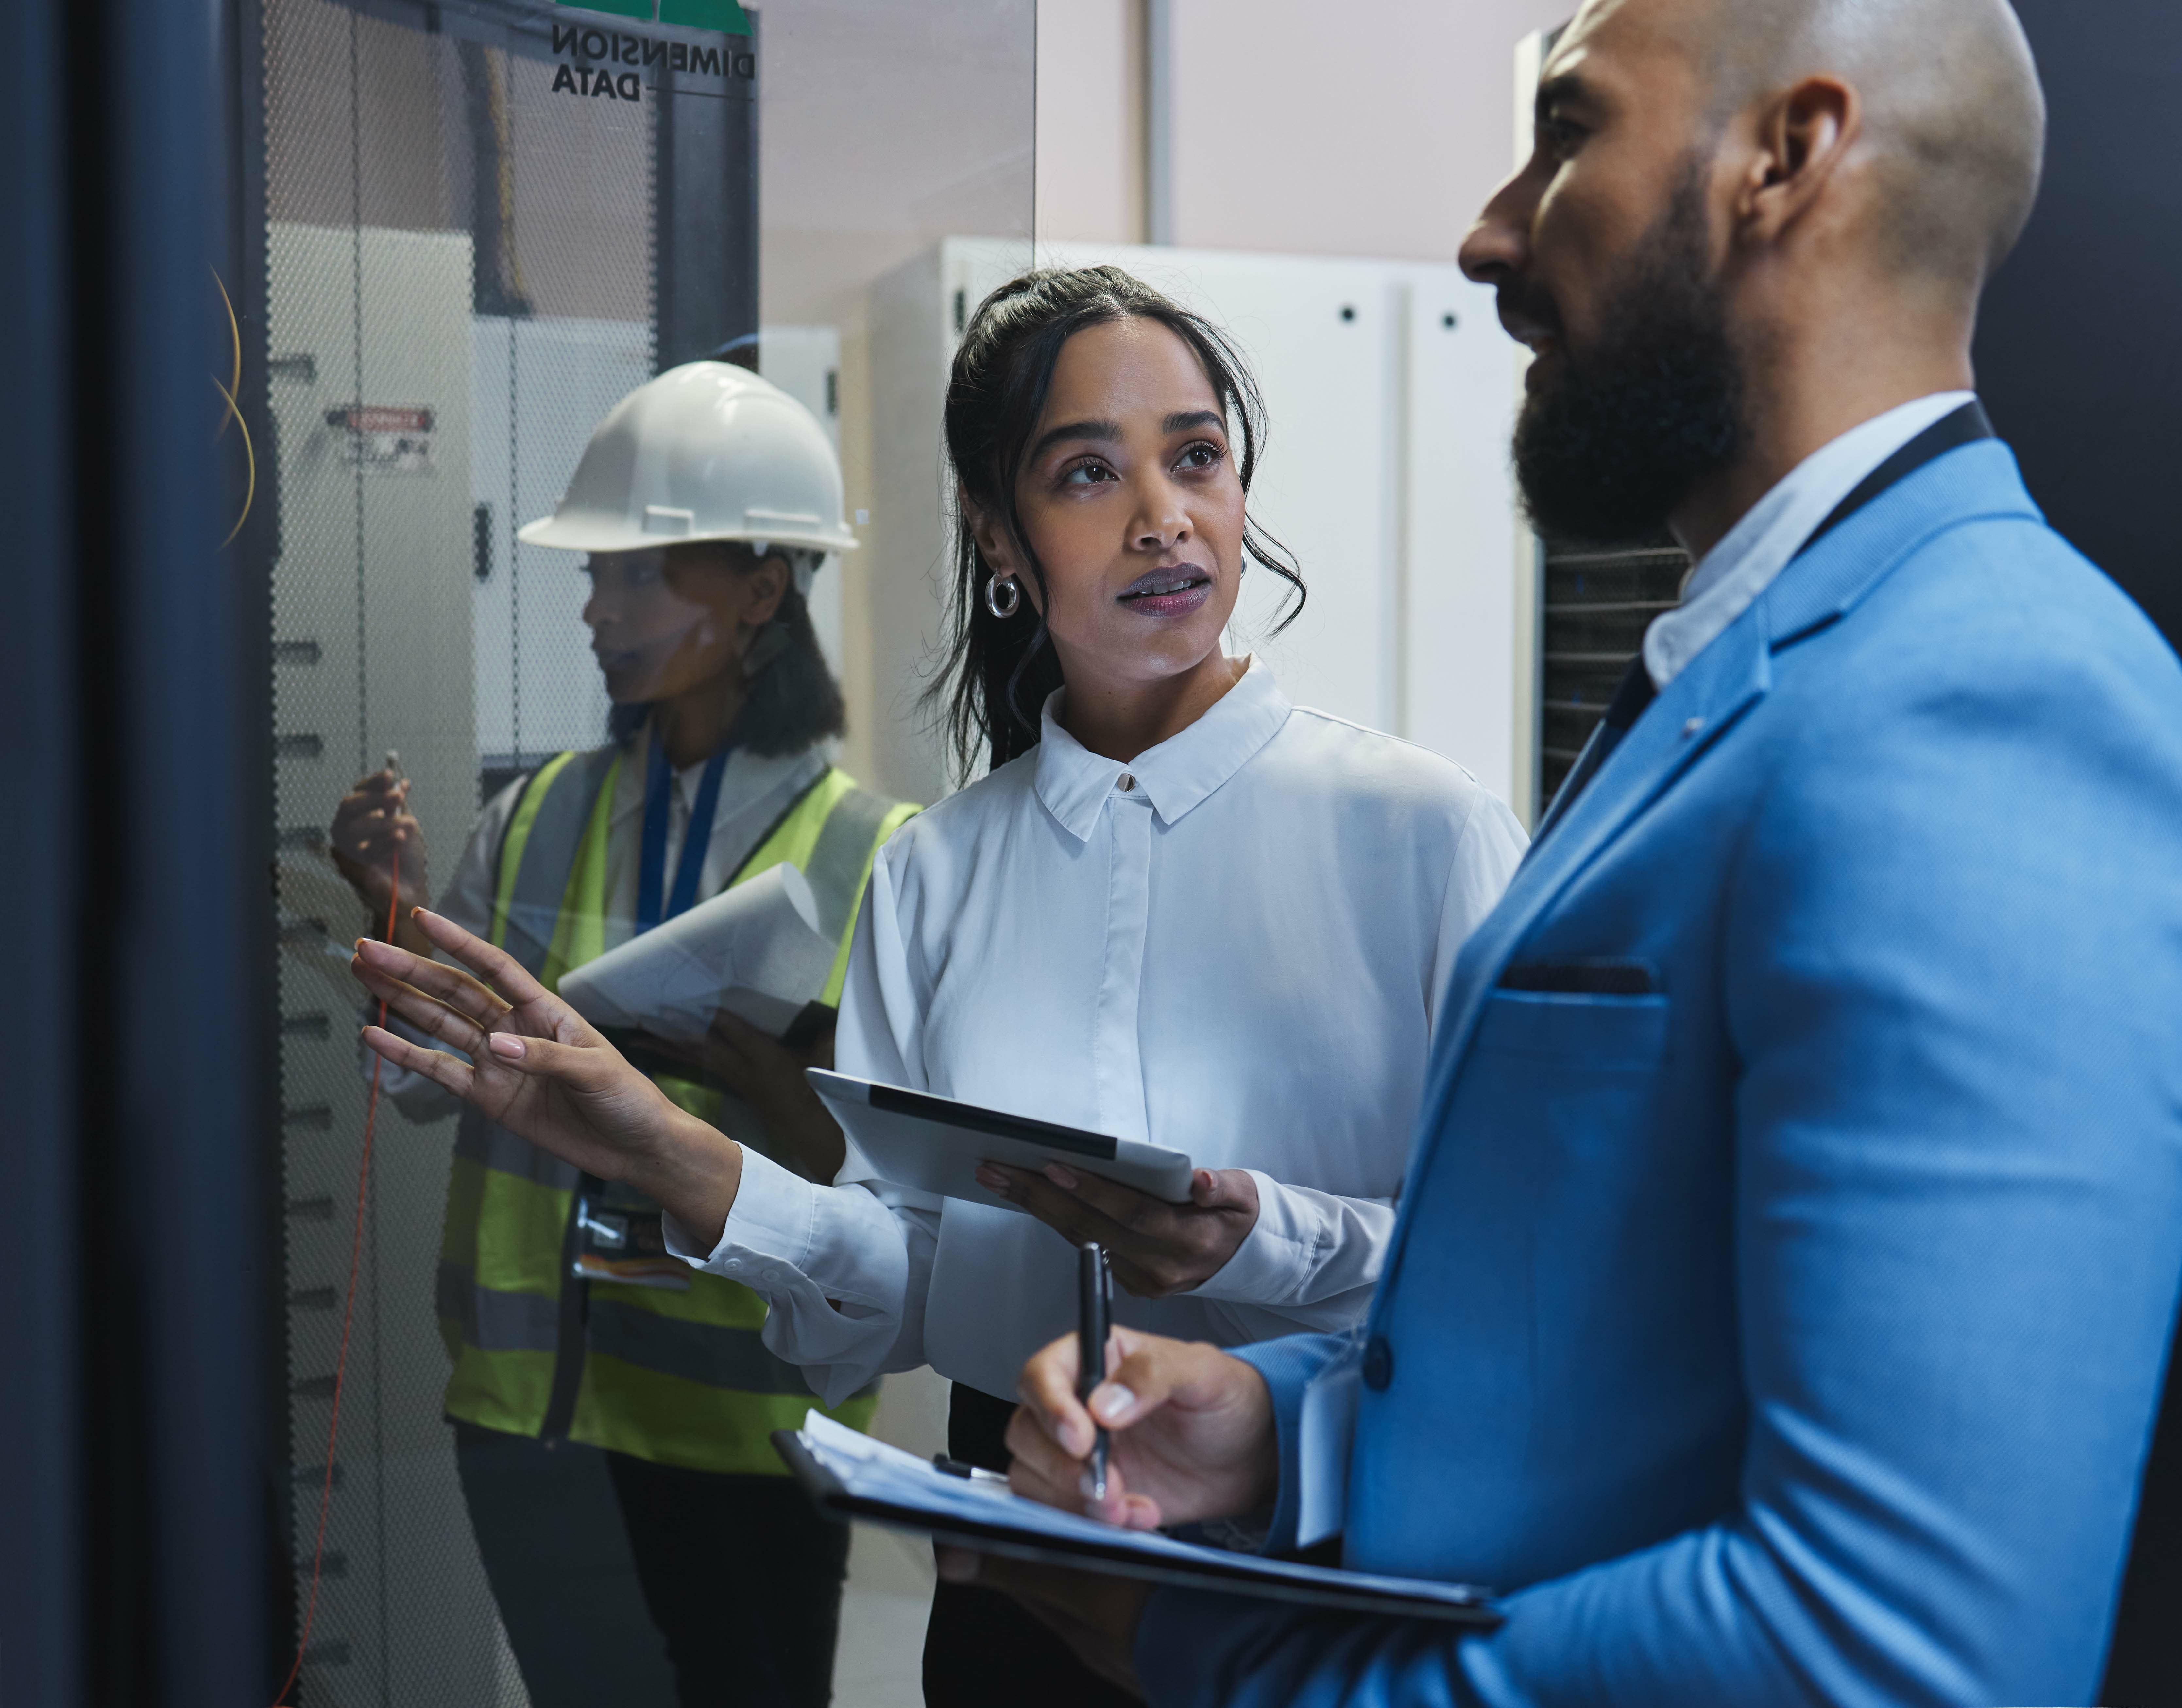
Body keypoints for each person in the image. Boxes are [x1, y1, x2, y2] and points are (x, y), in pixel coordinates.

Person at [981, 1, 2182, 1704]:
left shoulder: (1982, 700)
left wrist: (1263, 1678)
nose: (1488, 234)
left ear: (1785, 157)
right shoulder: (1740, 670)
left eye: (1568, 133)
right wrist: (1293, 1429)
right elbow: (1633, 1332)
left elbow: (1898, 1647)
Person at [341, 266, 1528, 1705]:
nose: (1164, 514)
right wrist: (664, 1147)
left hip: (1328, 1557)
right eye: (1088, 470)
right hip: (1015, 1568)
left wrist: (1261, 1243)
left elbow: (1523, 1271)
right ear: (998, 536)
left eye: (1195, 454)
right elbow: (898, 1280)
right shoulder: (937, 871)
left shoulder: (1424, 831)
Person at [327, 363, 917, 1708]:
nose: (596, 609)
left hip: (749, 1442)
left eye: (639, 576)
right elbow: (414, 1089)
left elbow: (895, 1200)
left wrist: (763, 1076)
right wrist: (396, 914)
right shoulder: (531, 814)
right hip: (530, 1422)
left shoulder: (880, 857)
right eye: (595, 576)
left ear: (762, 591)